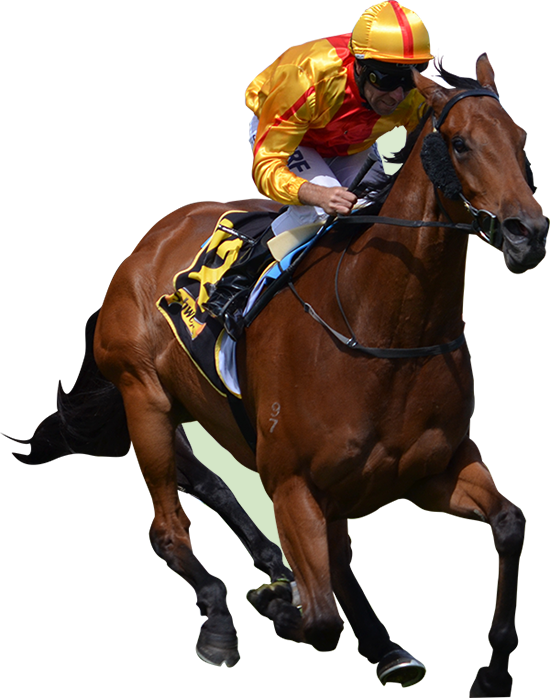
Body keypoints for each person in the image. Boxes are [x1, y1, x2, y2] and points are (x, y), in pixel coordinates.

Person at [207, 1, 434, 333]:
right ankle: (235, 282)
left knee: (377, 210)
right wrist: (313, 193)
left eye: (409, 80)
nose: (398, 95)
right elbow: (266, 169)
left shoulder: (413, 95)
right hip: (291, 136)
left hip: (348, 143)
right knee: (322, 209)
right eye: (386, 79)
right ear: (360, 67)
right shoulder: (306, 77)